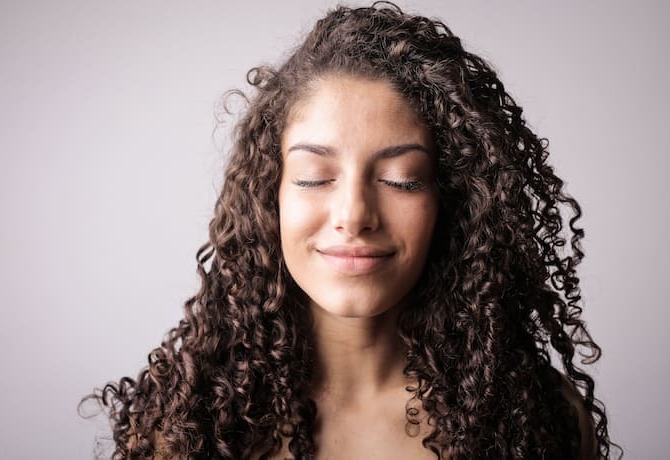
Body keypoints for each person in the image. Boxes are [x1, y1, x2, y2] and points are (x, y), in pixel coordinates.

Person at [81, 2, 622, 459]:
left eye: (400, 180)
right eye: (315, 177)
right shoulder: (186, 425)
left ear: (450, 202)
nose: (354, 213)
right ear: (267, 198)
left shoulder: (535, 420)